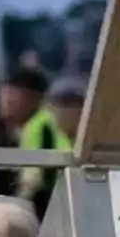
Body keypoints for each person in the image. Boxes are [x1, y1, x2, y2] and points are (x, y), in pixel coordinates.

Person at [15, 74, 84, 221]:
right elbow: (31, 180)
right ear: (50, 105)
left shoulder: (92, 128)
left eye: (74, 103)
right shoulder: (39, 127)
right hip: (49, 201)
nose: (67, 110)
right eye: (62, 103)